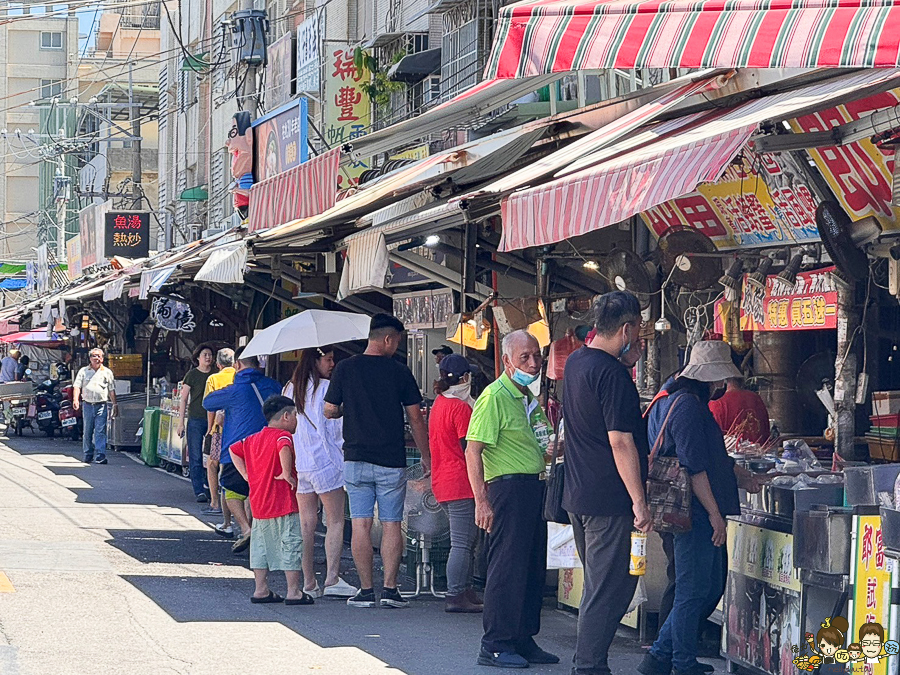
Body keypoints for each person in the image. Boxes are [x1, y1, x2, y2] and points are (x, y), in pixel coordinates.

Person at [639, 340, 743, 675]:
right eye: (719, 380)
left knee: (702, 586)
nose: (721, 386)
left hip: (688, 507)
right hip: (691, 510)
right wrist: (715, 514)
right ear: (709, 379)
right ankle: (680, 662)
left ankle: (657, 658)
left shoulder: (673, 399)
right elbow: (694, 467)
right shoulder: (686, 406)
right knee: (693, 589)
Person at [562, 291, 651, 675]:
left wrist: (626, 360)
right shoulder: (612, 375)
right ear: (627, 328)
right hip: (609, 499)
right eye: (639, 331)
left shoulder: (577, 363)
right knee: (609, 589)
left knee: (602, 584)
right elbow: (619, 440)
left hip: (578, 494)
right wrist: (639, 501)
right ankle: (589, 666)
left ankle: (589, 662)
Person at [324, 313, 431, 610]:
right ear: (387, 339)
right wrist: (425, 454)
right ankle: (390, 590)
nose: (397, 347)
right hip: (390, 460)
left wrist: (349, 410)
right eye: (396, 341)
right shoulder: (399, 372)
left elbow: (329, 410)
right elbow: (415, 418)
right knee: (392, 524)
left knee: (360, 524)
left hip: (355, 459)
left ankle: (366, 591)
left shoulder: (345, 368)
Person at [465, 329, 558, 669]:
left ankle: (522, 637)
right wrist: (481, 500)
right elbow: (473, 451)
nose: (533, 364)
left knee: (531, 568)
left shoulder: (527, 398)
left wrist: (552, 448)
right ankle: (495, 643)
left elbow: (541, 442)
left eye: (536, 356)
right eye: (525, 358)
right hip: (508, 489)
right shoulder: (494, 397)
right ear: (506, 361)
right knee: (507, 568)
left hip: (534, 487)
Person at [283, 345, 358, 599]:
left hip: (301, 463)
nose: (331, 364)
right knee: (335, 521)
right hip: (326, 463)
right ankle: (332, 578)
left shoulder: (290, 389)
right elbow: (336, 430)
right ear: (315, 361)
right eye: (328, 359)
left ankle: (308, 582)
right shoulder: (326, 390)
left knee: (306, 524)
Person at [230, 395, 314, 606]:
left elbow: (233, 450)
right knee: (291, 544)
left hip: (259, 504)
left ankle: (261, 589)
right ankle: (293, 591)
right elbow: (283, 446)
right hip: (283, 502)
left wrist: (246, 475)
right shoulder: (283, 436)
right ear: (285, 416)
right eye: (295, 415)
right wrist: (286, 472)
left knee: (260, 547)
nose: (296, 419)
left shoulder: (252, 439)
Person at [203, 348, 281, 553]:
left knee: (232, 491)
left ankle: (246, 529)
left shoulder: (235, 389)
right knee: (258, 492)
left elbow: (207, 402)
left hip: (237, 449)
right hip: (267, 447)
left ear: (237, 365)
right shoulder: (273, 385)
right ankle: (259, 532)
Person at [429, 353, 481, 613]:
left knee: (466, 541)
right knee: (462, 542)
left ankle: (465, 589)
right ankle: (455, 594)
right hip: (460, 481)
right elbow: (469, 448)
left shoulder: (440, 403)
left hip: (443, 480)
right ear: (464, 378)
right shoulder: (460, 408)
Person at [202, 348, 236, 527]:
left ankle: (215, 502)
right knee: (231, 465)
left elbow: (210, 408)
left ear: (218, 364)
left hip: (219, 430)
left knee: (212, 464)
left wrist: (209, 429)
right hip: (237, 428)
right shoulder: (238, 376)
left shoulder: (213, 379)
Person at [177, 345, 215, 503]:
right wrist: (181, 422)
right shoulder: (192, 375)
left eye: (210, 355)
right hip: (196, 418)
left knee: (213, 455)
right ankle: (198, 489)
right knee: (195, 455)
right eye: (205, 354)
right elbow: (184, 398)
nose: (208, 357)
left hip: (213, 419)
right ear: (198, 358)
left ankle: (210, 485)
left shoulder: (216, 375)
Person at [73, 348, 118, 465]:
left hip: (101, 405)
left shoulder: (107, 372)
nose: (96, 358)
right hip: (87, 405)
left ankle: (100, 455)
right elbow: (77, 386)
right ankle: (88, 454)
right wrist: (75, 400)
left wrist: (115, 404)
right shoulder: (83, 371)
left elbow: (111, 390)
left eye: (99, 356)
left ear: (102, 358)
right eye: (94, 356)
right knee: (87, 430)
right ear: (90, 358)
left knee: (100, 430)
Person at [709, 376, 771, 444]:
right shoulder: (755, 398)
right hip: (760, 451)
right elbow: (766, 433)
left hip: (729, 453)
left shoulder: (717, 403)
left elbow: (714, 438)